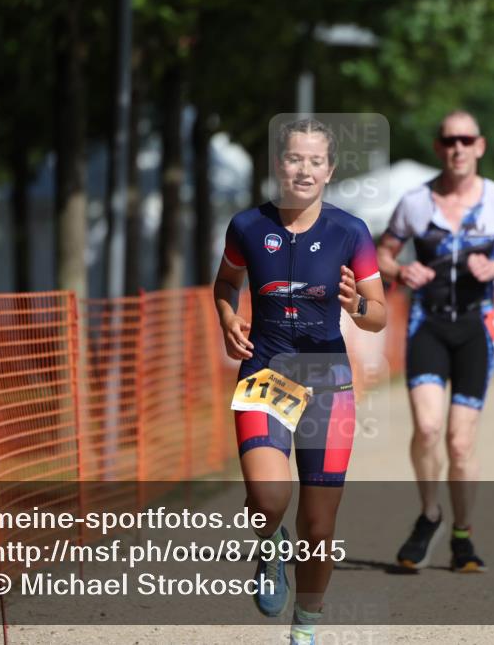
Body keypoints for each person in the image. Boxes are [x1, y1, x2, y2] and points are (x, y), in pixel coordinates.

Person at [213, 118, 386, 645]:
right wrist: (227, 317)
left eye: (315, 160)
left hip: (326, 381)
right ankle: (269, 543)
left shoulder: (350, 232)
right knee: (268, 497)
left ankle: (304, 629)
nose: (304, 168)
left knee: (318, 527)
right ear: (277, 164)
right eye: (294, 158)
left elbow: (378, 313)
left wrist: (356, 303)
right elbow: (226, 279)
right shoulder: (246, 226)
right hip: (265, 372)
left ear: (329, 170)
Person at [376, 110, 494, 573]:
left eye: (466, 140)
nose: (458, 148)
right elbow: (379, 255)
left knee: (459, 442)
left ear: (480, 146)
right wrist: (400, 270)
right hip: (427, 323)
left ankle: (463, 535)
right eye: (449, 140)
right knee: (428, 429)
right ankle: (429, 514)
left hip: (475, 328)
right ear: (439, 147)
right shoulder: (415, 202)